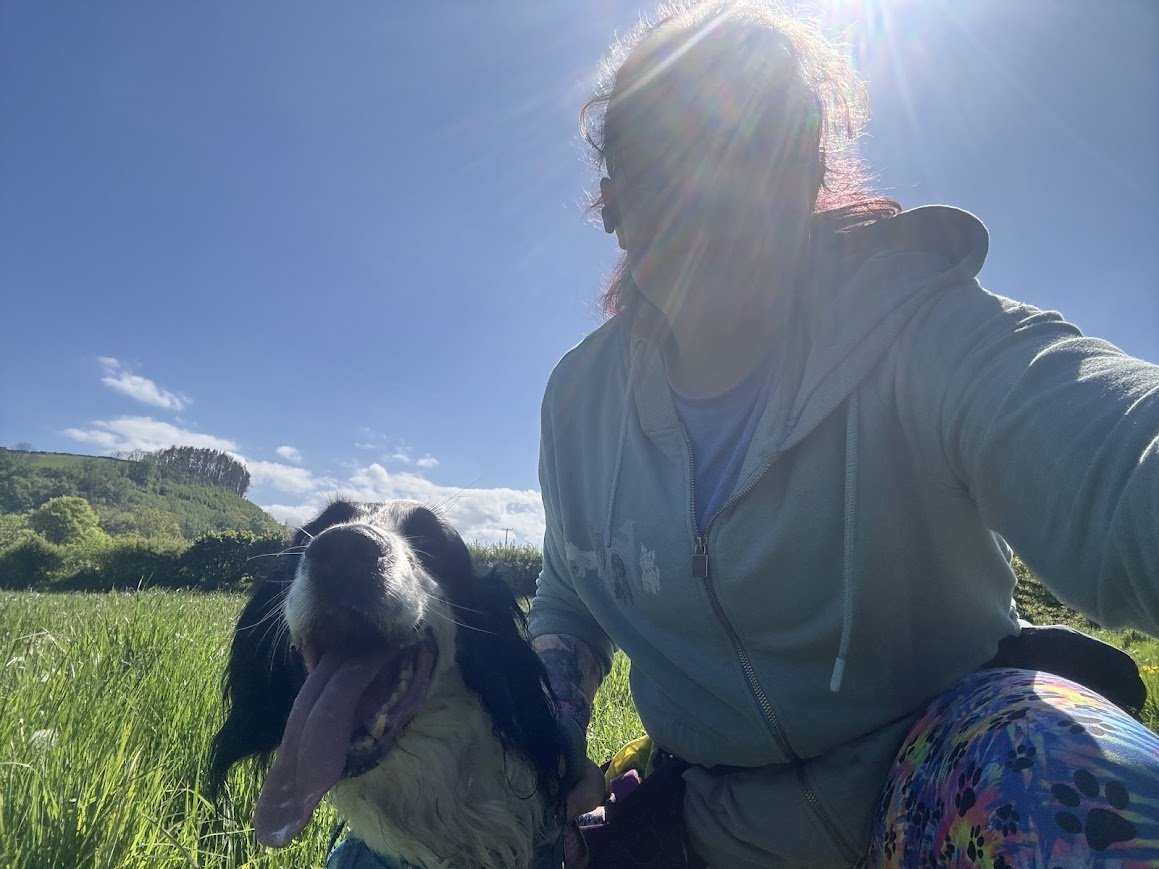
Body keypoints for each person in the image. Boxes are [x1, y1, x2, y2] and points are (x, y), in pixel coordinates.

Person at [528, 1, 1159, 866]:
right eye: (664, 159)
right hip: (701, 820)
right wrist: (551, 749)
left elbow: (1118, 456)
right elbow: (568, 588)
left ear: (806, 176)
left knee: (1052, 770)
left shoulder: (921, 330)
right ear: (615, 205)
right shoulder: (577, 403)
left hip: (947, 784)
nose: (712, 192)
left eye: (755, 147)